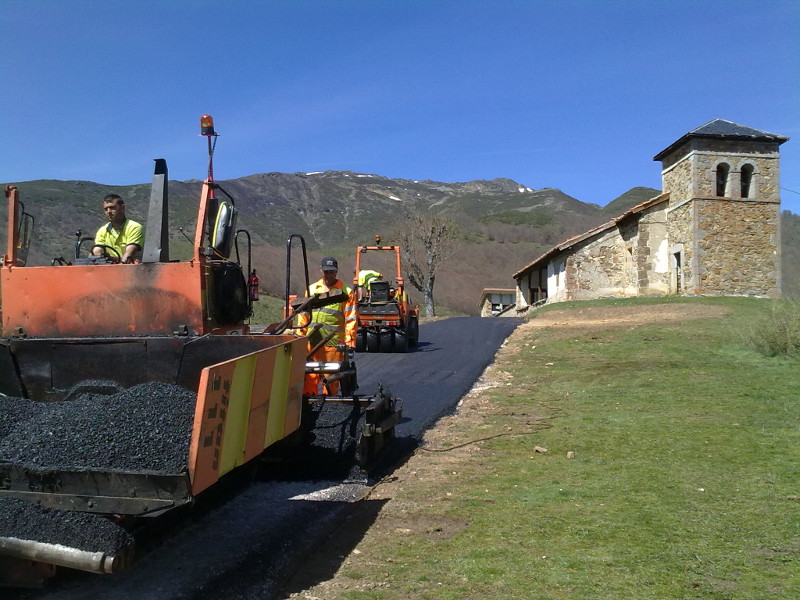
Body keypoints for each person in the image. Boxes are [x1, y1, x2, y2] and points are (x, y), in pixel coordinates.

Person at [300, 256, 357, 396]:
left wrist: (349, 343)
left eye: (331, 272)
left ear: (336, 271)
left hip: (333, 344)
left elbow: (351, 319)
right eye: (326, 272)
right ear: (321, 271)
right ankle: (309, 404)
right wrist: (300, 338)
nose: (329, 275)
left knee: (330, 378)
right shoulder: (312, 290)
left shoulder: (346, 292)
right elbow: (303, 316)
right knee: (309, 376)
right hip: (311, 342)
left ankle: (329, 406)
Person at [92, 194, 144, 263]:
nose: (109, 211)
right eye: (106, 209)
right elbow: (96, 252)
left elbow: (128, 257)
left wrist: (111, 259)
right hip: (109, 270)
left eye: (112, 208)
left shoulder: (134, 227)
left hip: (134, 270)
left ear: (122, 207)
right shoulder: (102, 231)